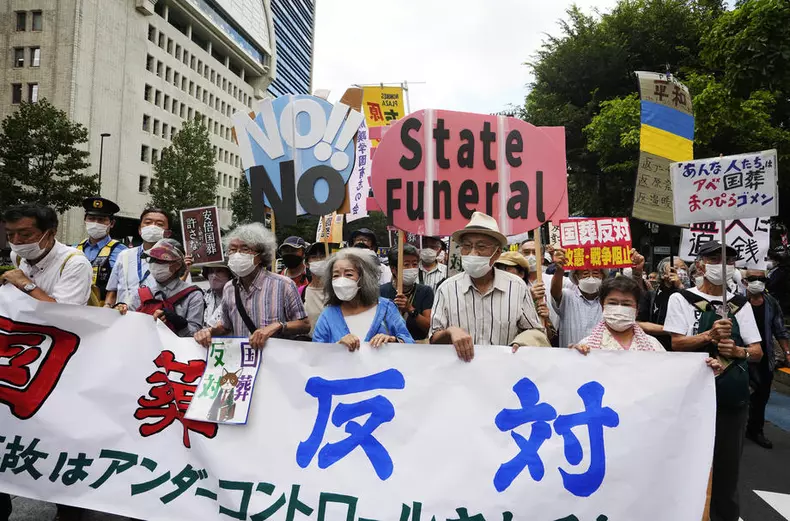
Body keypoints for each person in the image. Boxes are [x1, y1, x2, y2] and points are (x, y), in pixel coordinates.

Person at [663, 241, 762, 521]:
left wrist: (738, 351)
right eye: (715, 259)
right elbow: (676, 344)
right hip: (691, 396)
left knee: (727, 469)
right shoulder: (681, 299)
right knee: (687, 461)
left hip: (730, 397)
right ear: (700, 265)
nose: (723, 265)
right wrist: (708, 336)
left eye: (729, 260)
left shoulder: (740, 305)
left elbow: (757, 351)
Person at [430, 212, 547, 362]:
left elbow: (535, 331)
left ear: (497, 253)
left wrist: (521, 342)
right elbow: (433, 338)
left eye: (481, 246)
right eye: (467, 246)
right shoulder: (446, 289)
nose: (473, 253)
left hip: (503, 369)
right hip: (460, 373)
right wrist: (450, 332)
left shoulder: (517, 287)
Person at [194, 223, 310, 349]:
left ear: (260, 256)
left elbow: (304, 325)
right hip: (244, 359)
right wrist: (209, 331)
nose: (237, 254)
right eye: (232, 250)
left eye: (245, 249)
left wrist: (278, 326)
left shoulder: (284, 285)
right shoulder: (229, 288)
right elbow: (226, 326)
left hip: (277, 358)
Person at [313, 248, 414, 348]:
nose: (341, 280)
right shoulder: (328, 315)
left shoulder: (386, 308)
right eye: (336, 275)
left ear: (364, 278)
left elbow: (409, 344)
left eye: (349, 274)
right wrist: (337, 347)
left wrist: (393, 340)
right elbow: (316, 352)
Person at [2, 203, 92, 305]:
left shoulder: (75, 263)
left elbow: (64, 311)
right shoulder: (17, 256)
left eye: (25, 234)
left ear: (51, 233)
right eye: (10, 234)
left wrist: (25, 284)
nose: (16, 241)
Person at [116, 239, 204, 337]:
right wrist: (119, 311)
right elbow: (126, 325)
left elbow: (197, 334)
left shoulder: (193, 295)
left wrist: (180, 324)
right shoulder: (142, 294)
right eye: (151, 259)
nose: (154, 264)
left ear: (177, 265)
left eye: (161, 260)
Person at [743, 269, 789, 449]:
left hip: (765, 356)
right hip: (742, 356)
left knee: (762, 395)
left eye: (761, 279)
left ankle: (755, 430)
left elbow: (779, 329)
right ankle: (734, 430)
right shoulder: (736, 302)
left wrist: (787, 352)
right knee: (740, 394)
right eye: (753, 278)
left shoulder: (771, 303)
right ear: (745, 281)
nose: (757, 282)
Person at [105, 207, 172, 310]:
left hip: (157, 317)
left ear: (167, 233)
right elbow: (112, 291)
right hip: (124, 316)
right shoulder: (124, 255)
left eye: (159, 224)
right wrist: (107, 306)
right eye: (148, 222)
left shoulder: (174, 260)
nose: (152, 227)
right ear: (140, 230)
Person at [497, 251, 558, 345]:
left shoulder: (535, 299)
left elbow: (546, 337)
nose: (501, 272)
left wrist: (546, 319)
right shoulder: (491, 294)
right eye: (498, 268)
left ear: (521, 274)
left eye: (507, 268)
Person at [550, 248, 607, 347]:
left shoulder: (608, 301)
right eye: (585, 274)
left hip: (600, 355)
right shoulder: (567, 297)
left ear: (603, 276)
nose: (591, 277)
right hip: (571, 354)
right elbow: (555, 292)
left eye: (595, 273)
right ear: (576, 277)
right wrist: (560, 269)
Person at [75, 196, 127, 304]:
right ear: (85, 220)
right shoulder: (74, 249)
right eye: (91, 219)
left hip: (104, 309)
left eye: (101, 220)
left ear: (111, 223)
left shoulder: (122, 252)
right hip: (74, 306)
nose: (95, 223)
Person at [380, 244, 433, 341]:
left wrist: (410, 309)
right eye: (406, 264)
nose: (411, 268)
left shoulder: (425, 291)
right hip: (389, 345)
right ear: (393, 269)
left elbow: (429, 327)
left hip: (417, 346)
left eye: (415, 264)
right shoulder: (381, 291)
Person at [637, 256, 689, 337]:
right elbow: (638, 323)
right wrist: (672, 330)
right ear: (662, 275)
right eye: (675, 268)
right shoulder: (650, 296)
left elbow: (704, 308)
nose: (680, 271)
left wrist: (680, 286)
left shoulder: (694, 292)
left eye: (683, 269)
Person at [303, 242, 329, 336]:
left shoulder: (337, 290)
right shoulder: (302, 292)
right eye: (314, 257)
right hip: (310, 343)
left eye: (322, 256)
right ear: (307, 264)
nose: (319, 260)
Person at [202, 260, 232, 328]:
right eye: (211, 272)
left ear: (229, 275)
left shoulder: (237, 296)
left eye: (219, 271)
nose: (214, 275)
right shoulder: (204, 297)